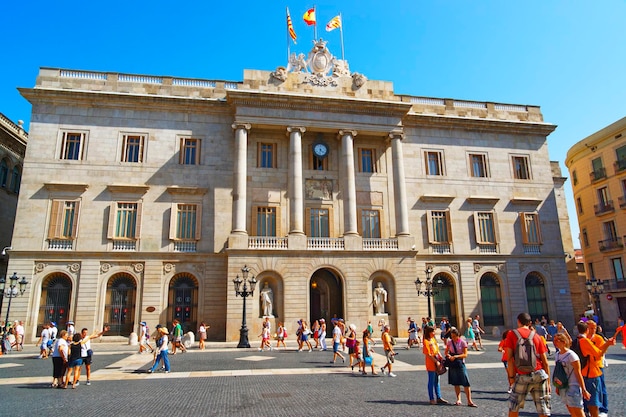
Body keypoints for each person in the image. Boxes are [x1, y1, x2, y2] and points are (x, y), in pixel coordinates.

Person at [504, 312, 551, 417]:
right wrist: (548, 382)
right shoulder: (537, 336)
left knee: (514, 407)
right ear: (530, 323)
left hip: (522, 375)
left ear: (518, 321)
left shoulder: (512, 334)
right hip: (539, 374)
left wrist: (511, 377)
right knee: (543, 409)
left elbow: (510, 359)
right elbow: (545, 362)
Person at [553, 333, 590, 417]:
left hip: (573, 386)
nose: (555, 342)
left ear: (563, 342)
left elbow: (578, 372)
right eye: (554, 340)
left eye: (557, 340)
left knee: (578, 411)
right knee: (571, 411)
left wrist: (584, 389)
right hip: (563, 386)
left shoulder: (572, 355)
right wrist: (557, 387)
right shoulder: (557, 355)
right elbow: (557, 372)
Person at [583, 320, 613, 417]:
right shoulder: (584, 338)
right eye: (591, 328)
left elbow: (601, 352)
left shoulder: (599, 338)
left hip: (598, 366)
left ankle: (603, 409)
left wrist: (607, 344)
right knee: (586, 389)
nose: (593, 330)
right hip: (586, 368)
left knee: (601, 389)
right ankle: (586, 408)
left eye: (594, 328)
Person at [445, 327, 477, 407]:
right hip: (452, 364)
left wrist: (455, 357)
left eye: (454, 336)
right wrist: (449, 356)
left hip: (460, 363)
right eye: (451, 336)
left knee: (466, 382)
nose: (452, 338)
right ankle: (458, 399)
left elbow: (465, 355)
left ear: (458, 335)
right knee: (456, 383)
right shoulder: (449, 342)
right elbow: (446, 352)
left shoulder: (462, 342)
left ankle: (469, 401)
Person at [422, 325, 448, 405]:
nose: (434, 333)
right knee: (431, 381)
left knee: (437, 381)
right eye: (433, 332)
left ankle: (439, 397)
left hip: (437, 361)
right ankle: (431, 398)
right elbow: (428, 354)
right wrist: (436, 361)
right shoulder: (426, 341)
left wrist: (440, 357)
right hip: (431, 363)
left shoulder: (433, 339)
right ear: (429, 332)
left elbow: (437, 350)